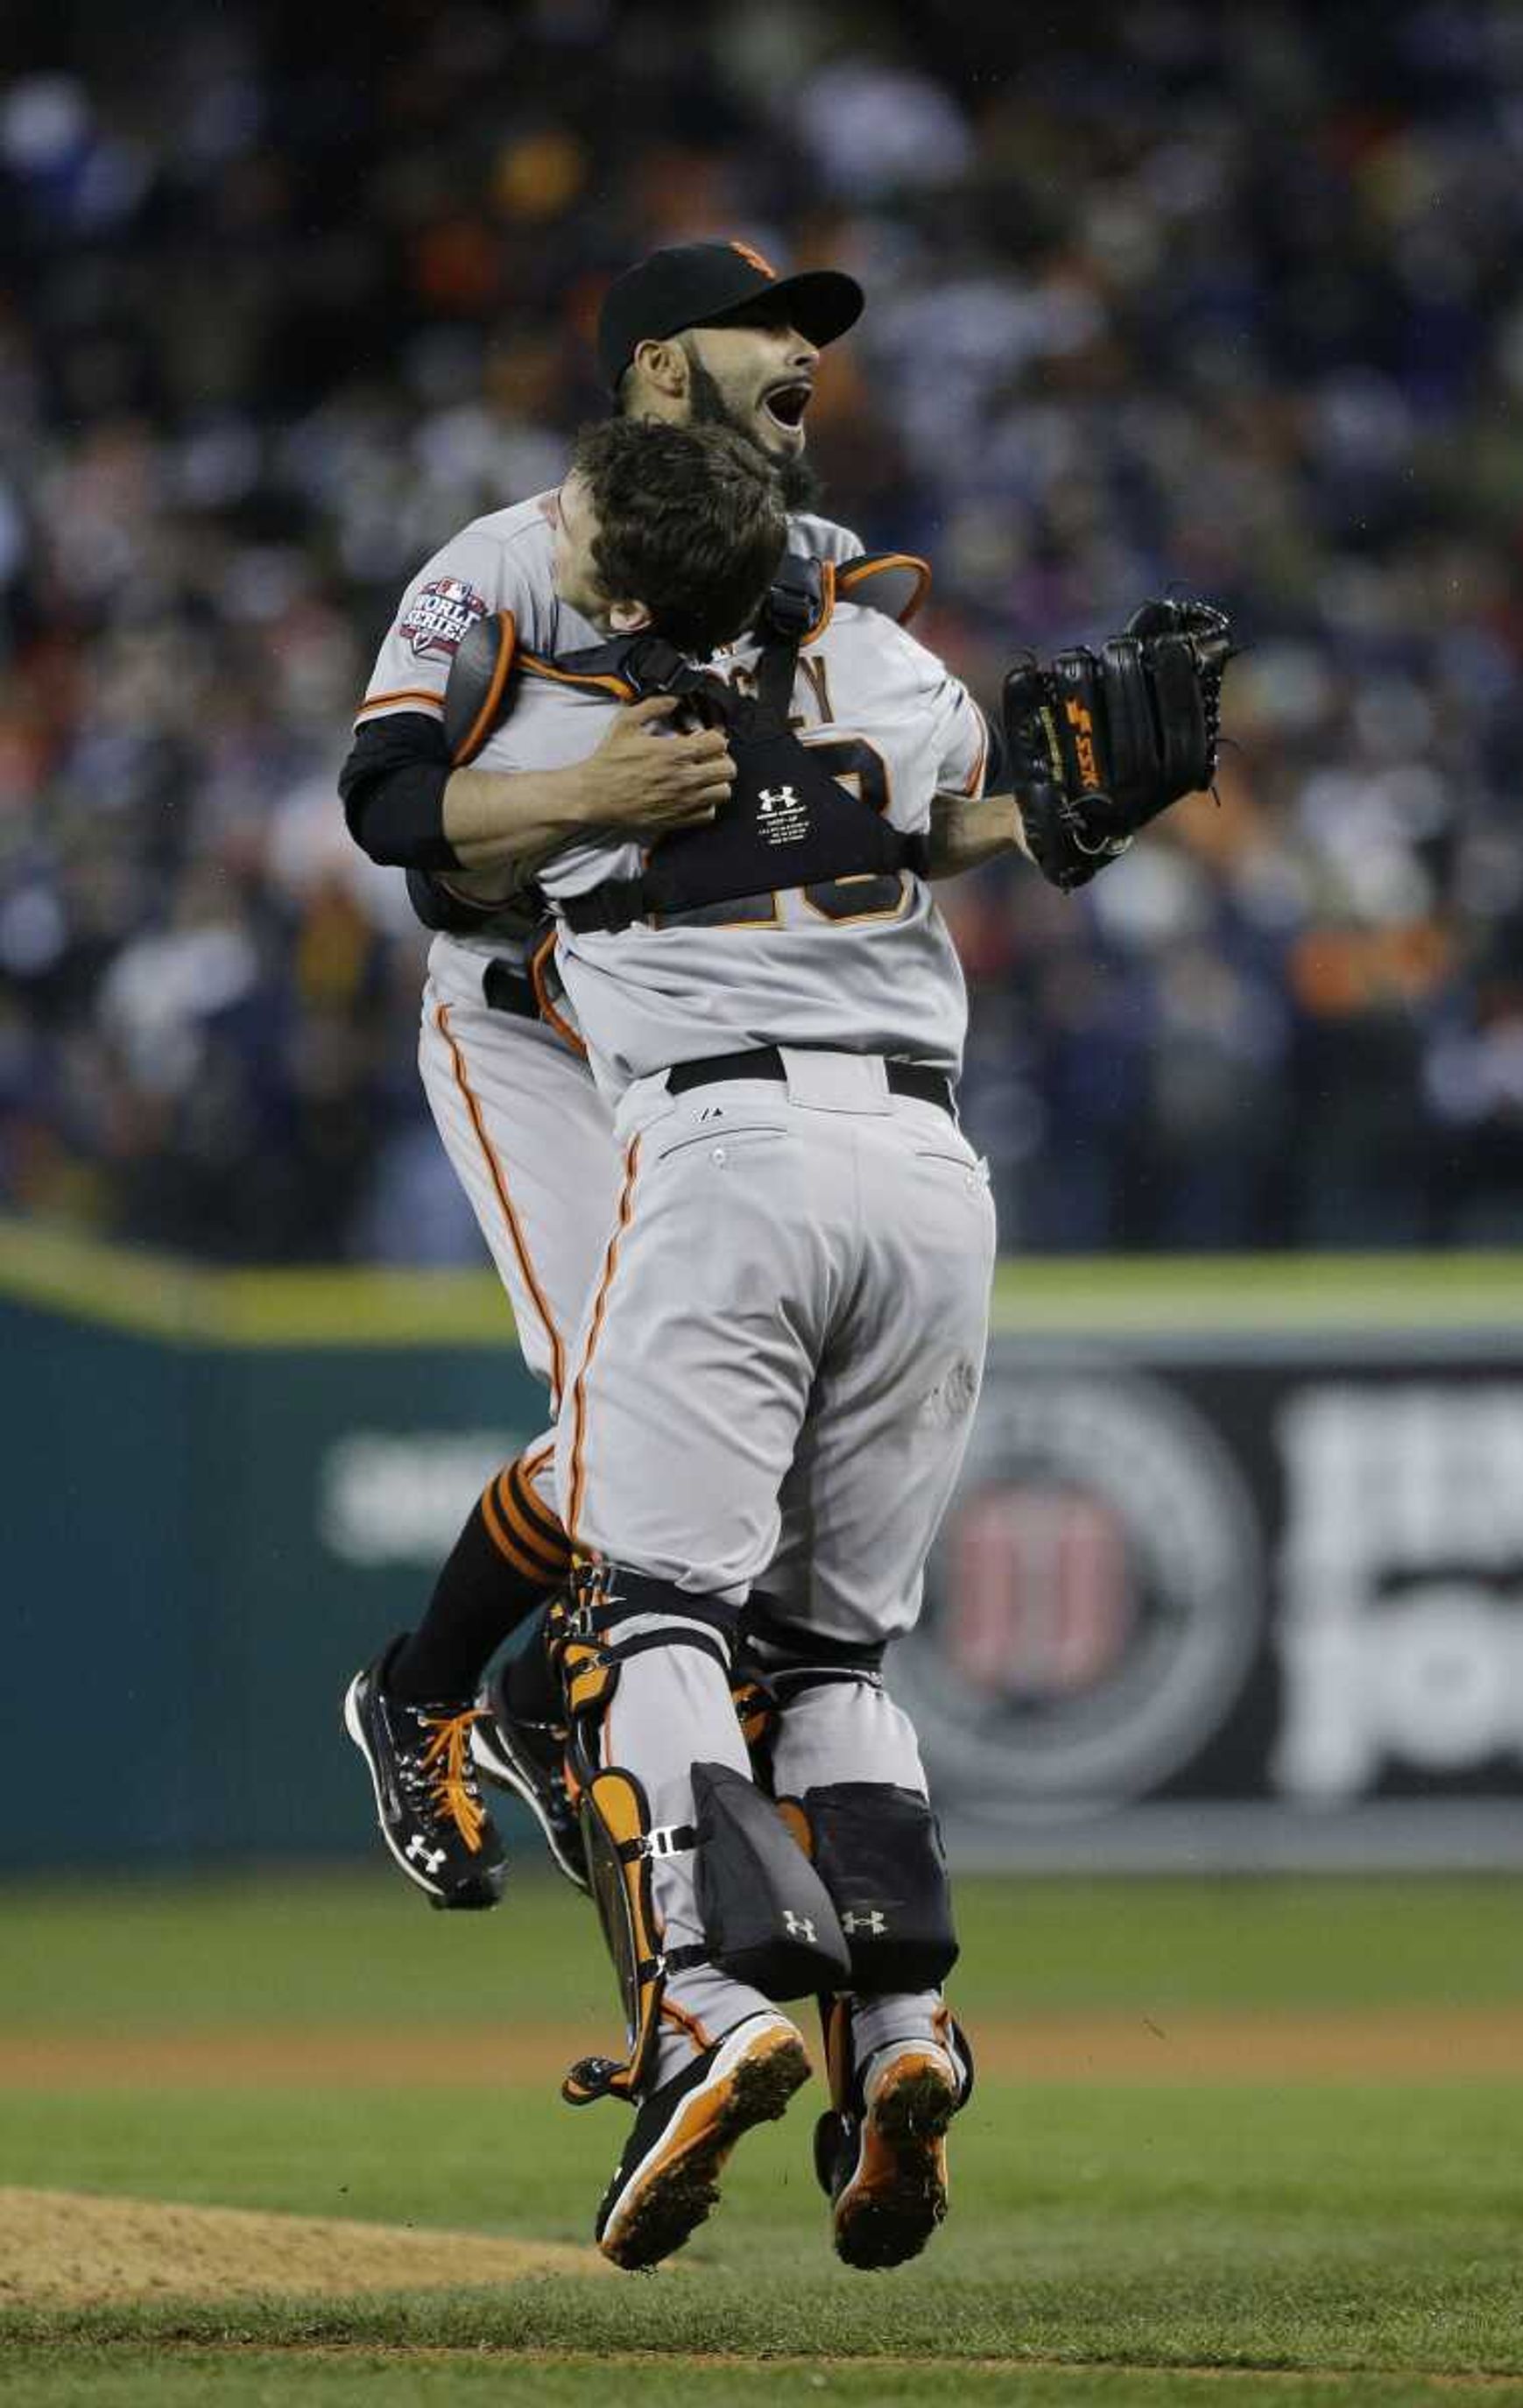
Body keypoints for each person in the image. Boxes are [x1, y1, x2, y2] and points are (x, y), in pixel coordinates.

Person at [338, 242, 1019, 1910]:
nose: (804, 353)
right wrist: (582, 795)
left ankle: (516, 1694)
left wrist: (1054, 815)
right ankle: (428, 1692)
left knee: (704, 1459)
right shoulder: (499, 566)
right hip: (533, 1020)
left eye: (816, 335)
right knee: (619, 1424)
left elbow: (874, 831)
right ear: (657, 367)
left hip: (718, 1052)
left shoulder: (817, 563)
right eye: (767, 331)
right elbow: (388, 809)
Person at [435, 410, 999, 2271]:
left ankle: (704, 1998)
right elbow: (986, 801)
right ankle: (902, 2038)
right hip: (929, 1163)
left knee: (653, 1609)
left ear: (618, 565)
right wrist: (1079, 806)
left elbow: (440, 859)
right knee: (837, 1651)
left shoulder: (566, 725)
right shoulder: (882, 657)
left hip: (727, 1147)